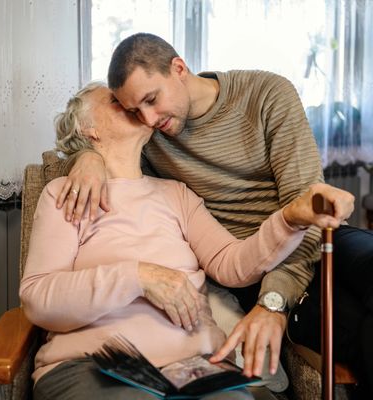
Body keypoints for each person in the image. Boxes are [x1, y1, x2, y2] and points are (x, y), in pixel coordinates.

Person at [56, 33, 373, 395]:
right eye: (134, 111)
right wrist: (87, 158)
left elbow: (306, 207)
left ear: (179, 68)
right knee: (356, 327)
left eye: (152, 100)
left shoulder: (267, 94)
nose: (148, 118)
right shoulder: (150, 134)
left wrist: (274, 301)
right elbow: (100, 145)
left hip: (316, 240)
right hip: (253, 267)